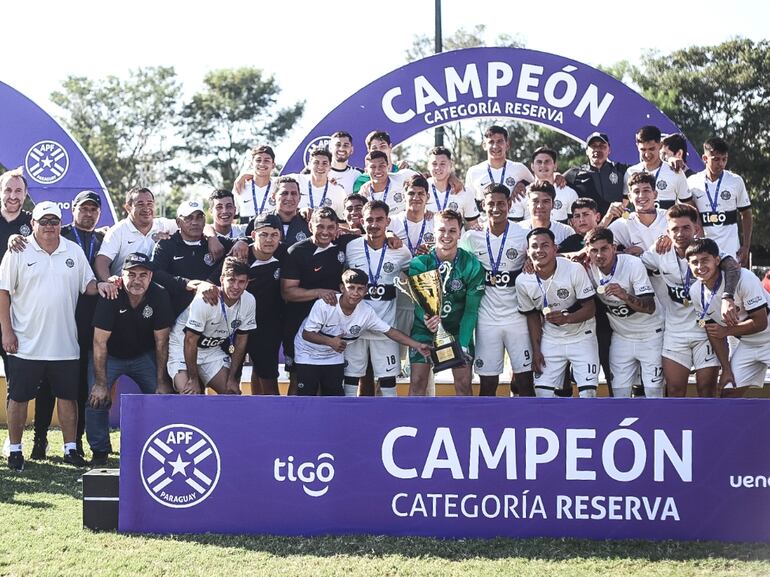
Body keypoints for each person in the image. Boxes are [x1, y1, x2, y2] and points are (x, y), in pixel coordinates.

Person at [0, 202, 113, 471]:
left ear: (59, 224)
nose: (49, 226)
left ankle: (70, 449)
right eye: (44, 221)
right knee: (18, 398)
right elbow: (3, 292)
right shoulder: (17, 250)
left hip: (65, 343)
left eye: (54, 221)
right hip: (25, 343)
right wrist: (6, 331)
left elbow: (88, 286)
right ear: (34, 223)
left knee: (67, 397)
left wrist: (106, 284)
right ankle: (15, 449)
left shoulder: (72, 250)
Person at [24, 190, 105, 460]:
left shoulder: (103, 239)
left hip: (88, 324)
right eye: (84, 208)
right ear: (73, 209)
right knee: (45, 384)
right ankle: (40, 440)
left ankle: (76, 442)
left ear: (99, 213)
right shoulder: (58, 233)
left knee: (78, 387)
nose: (88, 213)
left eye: (94, 209)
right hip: (56, 319)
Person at [640, 204, 740, 397]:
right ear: (667, 231)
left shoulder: (706, 249)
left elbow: (732, 267)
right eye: (674, 229)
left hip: (706, 331)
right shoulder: (658, 251)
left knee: (707, 391)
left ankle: (708, 428)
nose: (680, 233)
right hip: (675, 331)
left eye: (686, 228)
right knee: (675, 390)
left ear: (696, 228)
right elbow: (634, 264)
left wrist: (728, 296)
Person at [87, 253, 173, 465]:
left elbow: (162, 342)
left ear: (151, 276)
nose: (137, 280)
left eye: (143, 275)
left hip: (143, 355)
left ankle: (158, 447)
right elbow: (99, 343)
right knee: (96, 398)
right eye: (132, 274)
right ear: (121, 275)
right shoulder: (111, 294)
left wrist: (162, 381)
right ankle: (99, 452)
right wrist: (100, 383)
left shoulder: (160, 295)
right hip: (110, 355)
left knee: (161, 396)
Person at [294, 268, 430, 396]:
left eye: (360, 289)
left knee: (334, 398)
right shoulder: (325, 305)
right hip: (308, 352)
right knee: (307, 394)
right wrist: (330, 341)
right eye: (351, 288)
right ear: (342, 288)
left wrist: (417, 345)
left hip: (333, 355)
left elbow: (390, 332)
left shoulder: (366, 312)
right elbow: (307, 334)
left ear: (366, 291)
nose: (355, 293)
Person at [460, 183, 532, 397]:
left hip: (517, 316)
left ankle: (526, 425)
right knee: (488, 383)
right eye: (491, 204)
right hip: (487, 317)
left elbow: (538, 259)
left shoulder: (523, 234)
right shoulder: (472, 237)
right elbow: (456, 261)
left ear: (510, 204)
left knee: (525, 381)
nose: (496, 208)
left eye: (502, 203)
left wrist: (530, 262)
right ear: (483, 205)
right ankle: (487, 426)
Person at [408, 210, 485, 396]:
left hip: (458, 330)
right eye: (441, 230)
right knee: (417, 381)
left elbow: (471, 311)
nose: (446, 235)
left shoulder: (472, 265)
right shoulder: (420, 263)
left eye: (452, 231)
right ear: (433, 232)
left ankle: (465, 424)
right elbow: (419, 304)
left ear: (460, 233)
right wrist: (426, 318)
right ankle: (412, 423)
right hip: (425, 330)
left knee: (464, 382)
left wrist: (464, 344)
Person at [516, 227, 599, 398]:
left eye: (545, 245)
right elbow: (532, 316)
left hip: (582, 336)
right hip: (551, 338)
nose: (539, 250)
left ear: (555, 249)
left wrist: (567, 319)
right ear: (527, 251)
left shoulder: (574, 269)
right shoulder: (523, 281)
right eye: (534, 246)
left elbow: (590, 308)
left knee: (588, 393)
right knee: (541, 393)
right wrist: (537, 350)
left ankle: (583, 424)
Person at [344, 201, 412, 396]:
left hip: (385, 329)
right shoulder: (351, 247)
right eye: (369, 220)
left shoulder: (401, 251)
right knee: (350, 380)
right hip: (354, 327)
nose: (374, 224)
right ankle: (347, 422)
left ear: (388, 221)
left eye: (379, 219)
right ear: (362, 222)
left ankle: (388, 422)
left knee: (388, 383)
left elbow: (416, 282)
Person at [686, 237, 770, 397]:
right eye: (694, 263)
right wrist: (726, 368)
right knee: (727, 392)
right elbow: (714, 333)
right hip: (748, 345)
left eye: (705, 260)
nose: (700, 267)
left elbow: (761, 322)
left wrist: (726, 331)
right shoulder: (695, 291)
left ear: (717, 260)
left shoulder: (745, 277)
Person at [585, 227, 663, 398]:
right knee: (619, 392)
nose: (599, 255)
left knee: (653, 391)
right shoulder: (586, 266)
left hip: (650, 334)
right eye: (594, 250)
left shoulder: (632, 264)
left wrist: (625, 296)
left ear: (613, 248)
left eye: (604, 249)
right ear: (587, 252)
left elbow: (650, 307)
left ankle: (656, 424)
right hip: (622, 336)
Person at [169, 257, 256, 395]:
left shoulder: (249, 300)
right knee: (190, 394)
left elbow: (241, 341)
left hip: (210, 350)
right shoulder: (204, 300)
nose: (235, 287)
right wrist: (194, 378)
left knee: (232, 393)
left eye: (241, 282)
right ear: (222, 279)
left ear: (247, 283)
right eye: (231, 280)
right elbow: (190, 341)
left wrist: (232, 378)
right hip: (183, 346)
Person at [151, 200, 236, 319]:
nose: (195, 222)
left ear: (205, 220)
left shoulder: (213, 241)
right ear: (178, 222)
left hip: (212, 314)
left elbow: (242, 243)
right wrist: (188, 284)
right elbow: (156, 273)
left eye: (199, 217)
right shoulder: (166, 245)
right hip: (178, 315)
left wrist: (241, 243)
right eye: (189, 218)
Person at [687, 137, 752, 266]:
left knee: (730, 285)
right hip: (703, 249)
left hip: (730, 249)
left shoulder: (735, 180)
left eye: (724, 159)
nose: (721, 164)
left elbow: (747, 214)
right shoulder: (692, 182)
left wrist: (746, 246)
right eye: (716, 159)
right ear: (705, 159)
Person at [94, 187, 180, 281]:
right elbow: (102, 260)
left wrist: (173, 238)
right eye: (140, 204)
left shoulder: (165, 225)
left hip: (158, 288)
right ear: (128, 208)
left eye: (150, 204)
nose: (146, 209)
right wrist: (109, 282)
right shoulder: (118, 231)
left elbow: (189, 226)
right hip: (125, 289)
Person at [244, 213, 285, 395]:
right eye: (263, 234)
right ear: (253, 236)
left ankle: (273, 419)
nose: (269, 240)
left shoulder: (286, 254)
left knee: (268, 379)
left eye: (274, 234)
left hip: (269, 326)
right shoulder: (240, 254)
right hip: (238, 326)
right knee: (232, 378)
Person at [464, 125, 533, 220]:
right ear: (484, 146)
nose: (495, 146)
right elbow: (468, 203)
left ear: (507, 145)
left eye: (500, 141)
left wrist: (523, 183)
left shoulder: (519, 168)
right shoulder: (473, 172)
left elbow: (537, 185)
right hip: (485, 226)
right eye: (491, 142)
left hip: (515, 224)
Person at [563, 132, 631, 215]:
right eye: (594, 146)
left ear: (609, 150)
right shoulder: (573, 174)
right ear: (587, 151)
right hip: (588, 226)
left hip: (616, 225)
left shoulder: (621, 170)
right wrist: (556, 176)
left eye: (602, 146)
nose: (598, 150)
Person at [624, 125, 691, 210]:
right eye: (643, 150)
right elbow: (623, 205)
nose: (647, 154)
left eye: (651, 149)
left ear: (660, 145)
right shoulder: (631, 172)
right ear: (637, 146)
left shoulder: (674, 171)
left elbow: (689, 206)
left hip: (667, 223)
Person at [606, 172, 668, 256]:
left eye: (646, 190)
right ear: (630, 197)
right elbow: (599, 247)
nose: (641, 195)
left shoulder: (670, 217)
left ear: (655, 194)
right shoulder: (624, 223)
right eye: (636, 191)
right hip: (640, 269)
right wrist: (625, 254)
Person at [244, 176, 310, 246]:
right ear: (273, 197)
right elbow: (247, 243)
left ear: (299, 198)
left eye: (293, 193)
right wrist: (242, 241)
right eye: (284, 193)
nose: (289, 198)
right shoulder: (259, 221)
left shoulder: (308, 222)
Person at [425, 146, 480, 227]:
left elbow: (473, 226)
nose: (438, 167)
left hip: (456, 240)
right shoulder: (421, 190)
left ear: (450, 165)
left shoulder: (464, 192)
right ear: (428, 166)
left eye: (442, 164)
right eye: (434, 164)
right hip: (428, 239)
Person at [353, 130, 417, 192]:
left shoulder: (403, 172)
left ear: (390, 147)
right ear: (369, 151)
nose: (379, 150)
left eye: (382, 146)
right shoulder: (362, 181)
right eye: (374, 148)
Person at [528, 146, 578, 224]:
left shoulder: (569, 193)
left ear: (555, 166)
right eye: (539, 162)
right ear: (532, 166)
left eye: (547, 161)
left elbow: (575, 225)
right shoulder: (522, 194)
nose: (543, 165)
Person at [293, 147, 346, 219]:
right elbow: (274, 182)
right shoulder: (296, 181)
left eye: (325, 163)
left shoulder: (339, 191)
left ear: (330, 166)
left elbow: (342, 221)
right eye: (316, 162)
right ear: (309, 165)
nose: (320, 167)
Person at [232, 145, 276, 221]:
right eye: (258, 160)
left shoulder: (279, 187)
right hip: (246, 232)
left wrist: (244, 175)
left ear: (273, 165)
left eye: (267, 160)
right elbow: (232, 218)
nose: (262, 164)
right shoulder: (240, 186)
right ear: (252, 164)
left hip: (271, 232)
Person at [360, 150, 407, 215]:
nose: (378, 170)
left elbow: (423, 183)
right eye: (373, 167)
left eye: (381, 166)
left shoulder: (403, 178)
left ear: (388, 167)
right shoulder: (363, 194)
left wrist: (426, 209)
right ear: (366, 170)